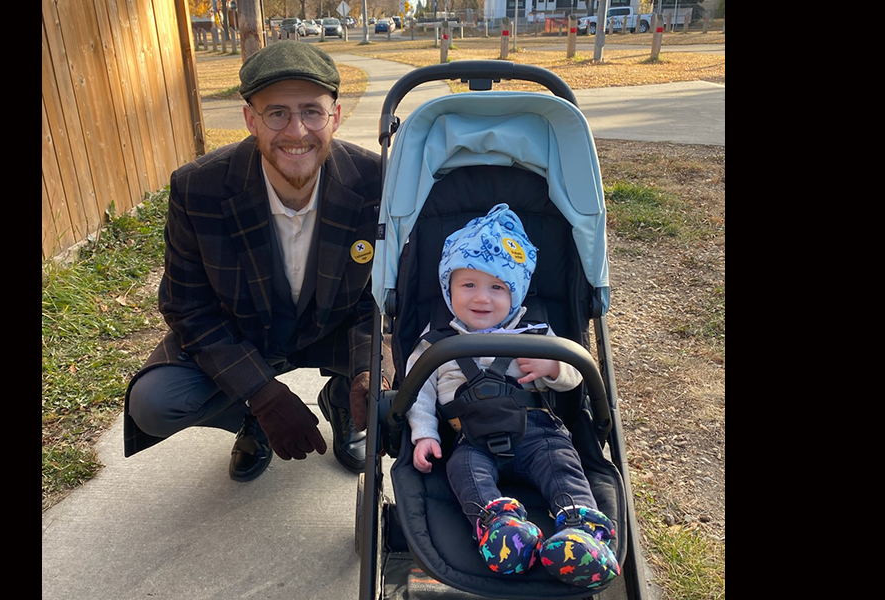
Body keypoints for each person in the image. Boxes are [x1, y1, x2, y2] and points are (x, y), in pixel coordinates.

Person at [122, 40, 386, 482]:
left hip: (332, 328)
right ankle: (249, 416)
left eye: (312, 111)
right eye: (277, 112)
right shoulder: (198, 188)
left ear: (334, 117)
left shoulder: (377, 181)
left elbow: (381, 297)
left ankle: (342, 397)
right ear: (251, 120)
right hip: (244, 332)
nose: (297, 131)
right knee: (155, 402)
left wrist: (367, 372)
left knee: (412, 371)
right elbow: (186, 306)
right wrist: (260, 394)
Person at [404, 204, 620, 587]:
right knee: (463, 471)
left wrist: (552, 367)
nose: (481, 298)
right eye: (467, 285)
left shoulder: (537, 332)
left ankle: (582, 530)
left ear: (516, 292)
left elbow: (576, 376)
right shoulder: (436, 340)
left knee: (562, 465)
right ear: (448, 288)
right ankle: (499, 527)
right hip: (471, 439)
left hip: (539, 432)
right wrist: (424, 434)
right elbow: (416, 390)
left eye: (497, 287)